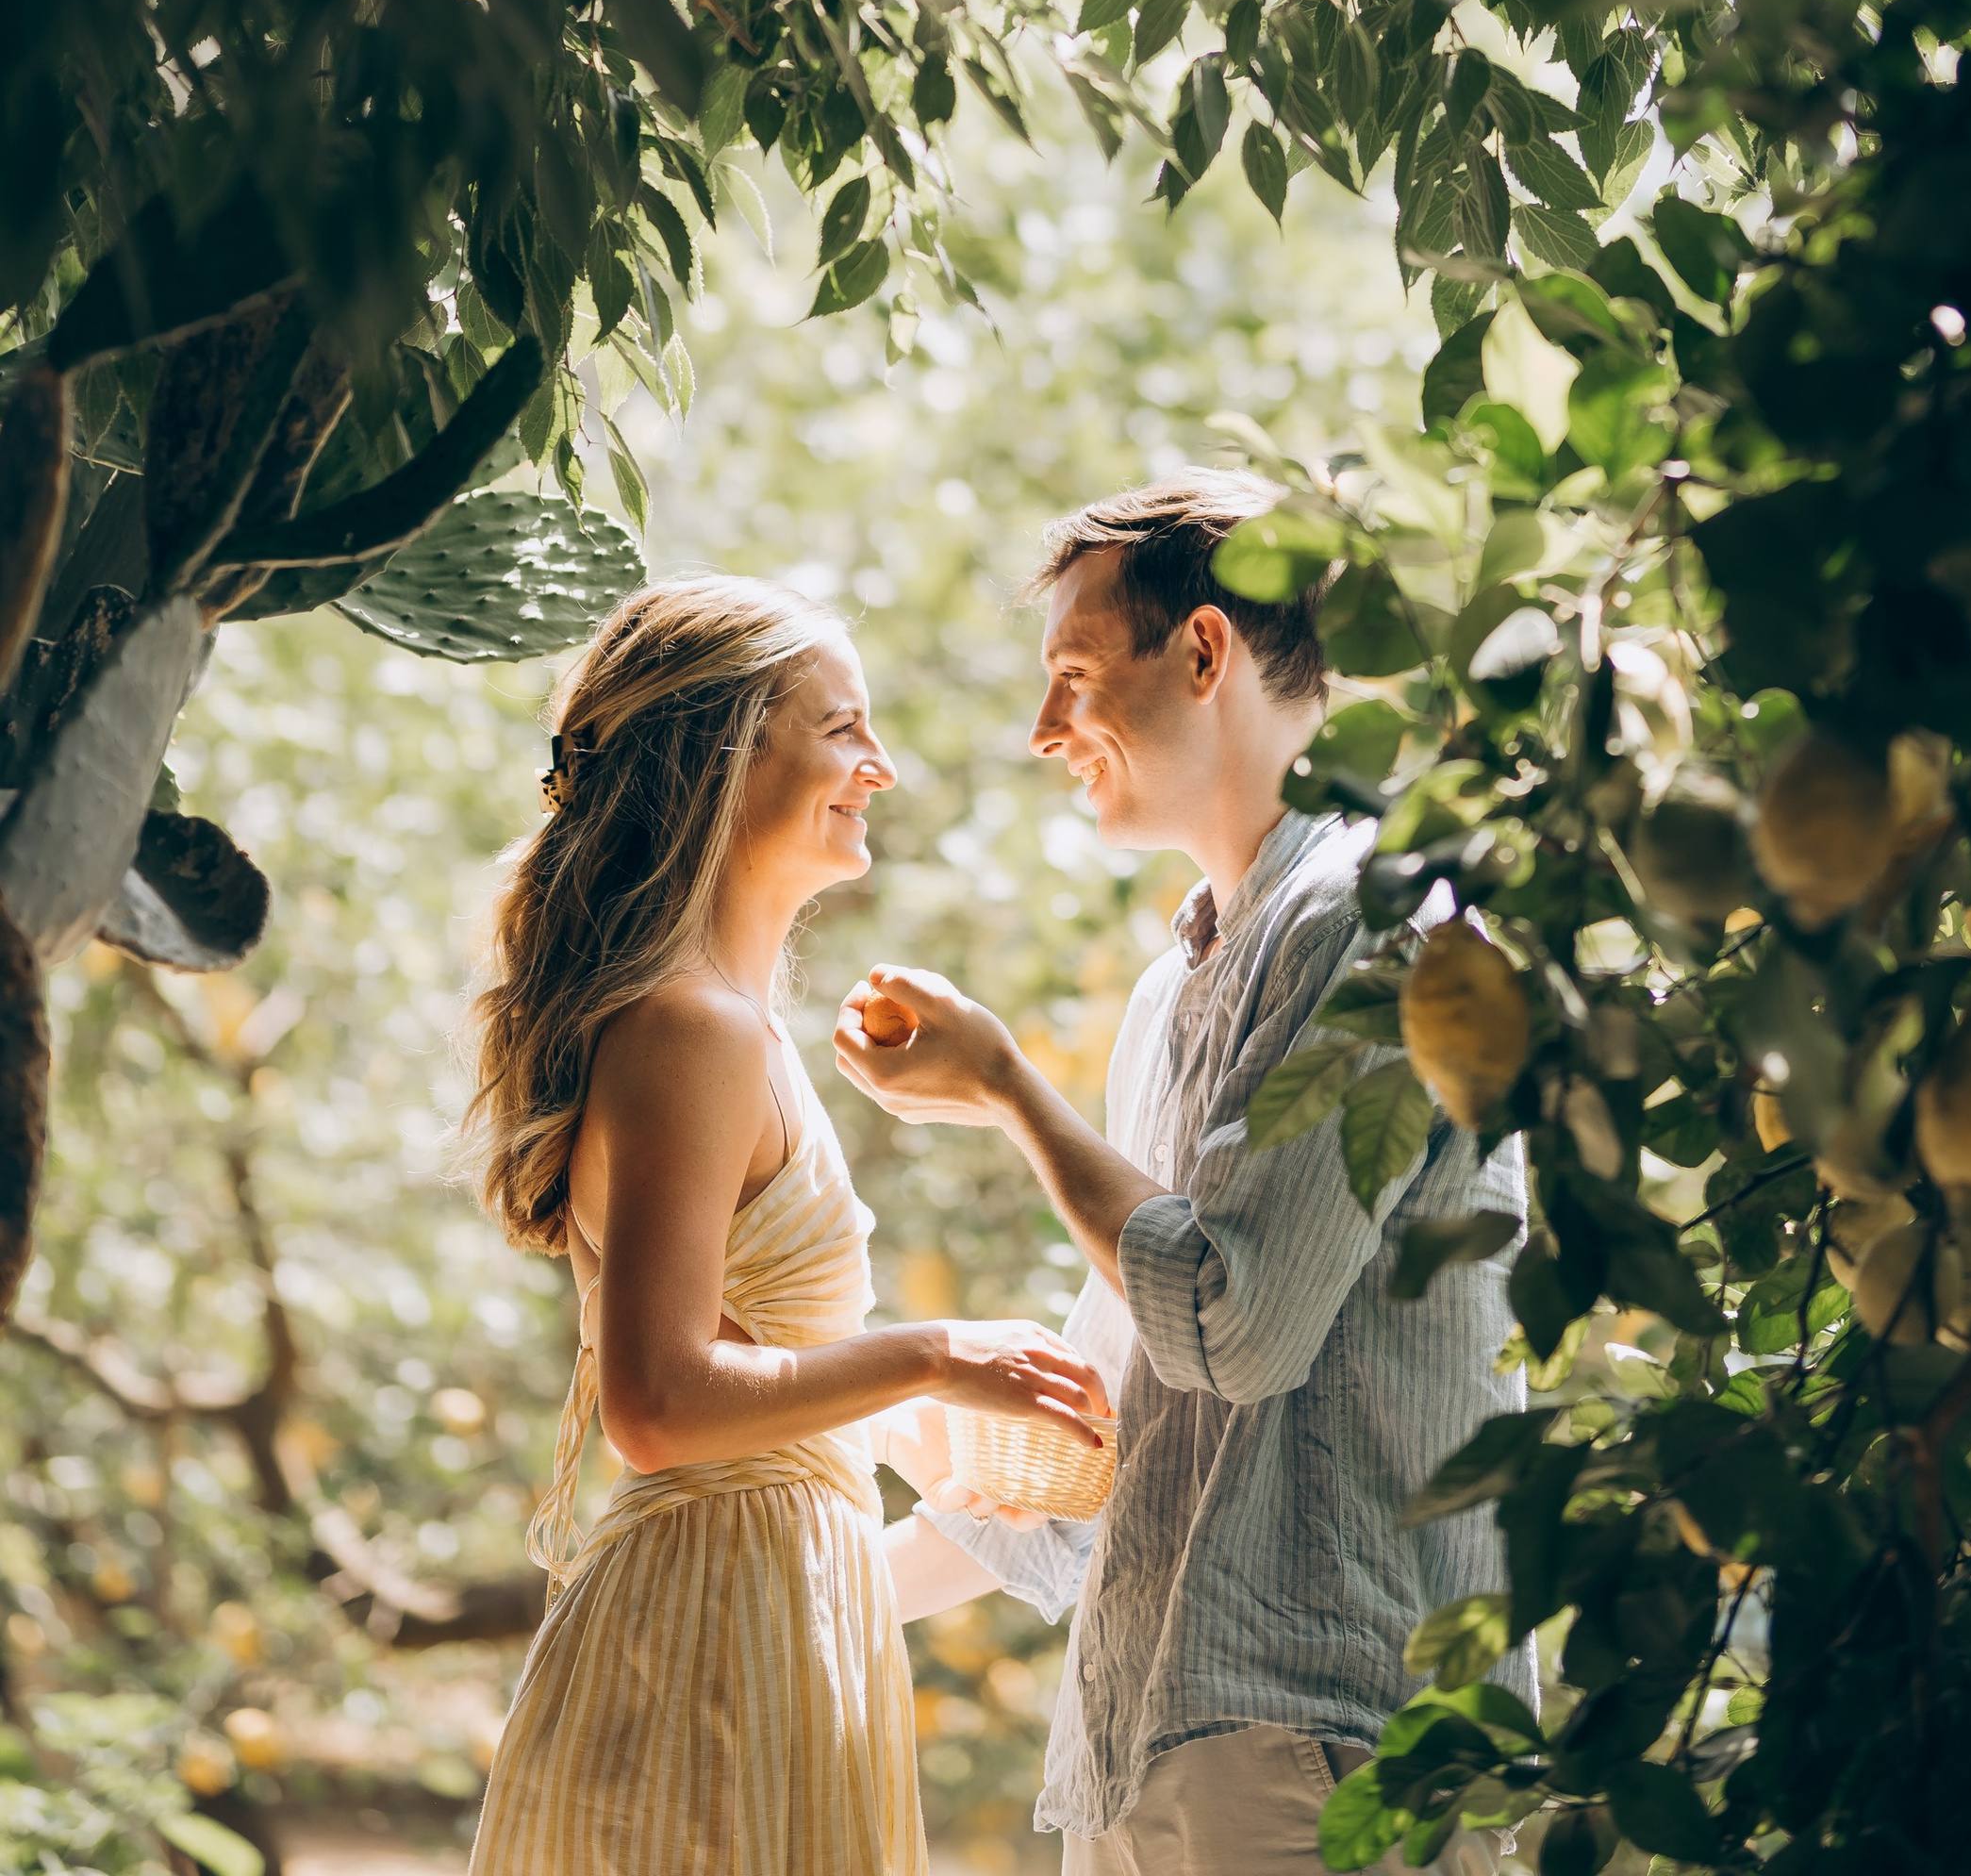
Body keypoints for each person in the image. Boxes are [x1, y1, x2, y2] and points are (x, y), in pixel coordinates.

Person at [834, 475, 1527, 1876]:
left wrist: (1008, 1090)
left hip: (1334, 1740)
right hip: (1154, 1730)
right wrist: (812, 1592)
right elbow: (1112, 1423)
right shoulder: (1178, 990)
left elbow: (1232, 1326)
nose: (1046, 733)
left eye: (1074, 677)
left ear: (1205, 654)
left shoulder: (1385, 925)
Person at [462, 576, 1105, 1876]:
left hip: (768, 1598)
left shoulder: (729, 1027)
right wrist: (932, 1358)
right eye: (844, 727)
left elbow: (751, 1350)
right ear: (723, 748)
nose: (883, 765)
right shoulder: (692, 1028)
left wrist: (919, 1432)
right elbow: (657, 1401)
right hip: (713, 1622)